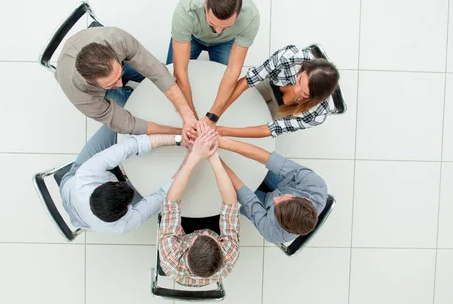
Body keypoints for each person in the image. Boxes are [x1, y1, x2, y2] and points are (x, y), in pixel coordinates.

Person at [56, 25, 196, 138]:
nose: (121, 84)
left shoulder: (117, 39)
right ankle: (115, 84)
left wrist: (187, 116)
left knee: (157, 75)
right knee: (128, 106)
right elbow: (127, 124)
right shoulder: (81, 94)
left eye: (119, 75)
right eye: (112, 84)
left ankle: (115, 75)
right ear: (88, 80)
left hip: (89, 41)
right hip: (74, 75)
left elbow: (158, 73)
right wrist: (176, 131)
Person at [59, 123, 186, 234]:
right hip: (83, 219)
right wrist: (189, 160)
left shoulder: (86, 175)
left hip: (70, 183)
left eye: (119, 184)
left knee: (117, 125)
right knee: (157, 190)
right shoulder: (122, 226)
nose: (123, 182)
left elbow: (131, 146)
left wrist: (178, 139)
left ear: (99, 186)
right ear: (125, 210)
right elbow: (162, 196)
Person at [168, 0, 260, 130]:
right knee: (170, 81)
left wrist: (212, 116)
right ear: (206, 6)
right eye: (212, 23)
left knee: (221, 83)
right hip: (192, 37)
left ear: (238, 14)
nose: (217, 31)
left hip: (225, 42)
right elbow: (180, 71)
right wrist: (191, 117)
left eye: (225, 26)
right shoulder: (185, 11)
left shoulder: (251, 17)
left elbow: (233, 70)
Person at [159, 123, 240, 287]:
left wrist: (195, 155)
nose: (209, 233)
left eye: (204, 236)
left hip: (179, 235)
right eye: (213, 238)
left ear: (187, 249)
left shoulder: (170, 255)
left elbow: (171, 203)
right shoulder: (230, 255)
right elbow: (231, 205)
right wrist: (213, 155)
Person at [218, 136, 327, 244]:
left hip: (264, 207)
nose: (275, 198)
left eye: (276, 207)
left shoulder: (272, 232)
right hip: (283, 183)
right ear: (305, 199)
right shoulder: (316, 186)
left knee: (231, 196)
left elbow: (248, 199)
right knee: (259, 166)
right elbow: (269, 159)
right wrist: (222, 142)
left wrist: (216, 159)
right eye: (282, 198)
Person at [216, 44, 340, 138]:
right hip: (269, 85)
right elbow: (249, 80)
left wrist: (223, 131)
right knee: (239, 107)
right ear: (304, 68)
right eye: (300, 80)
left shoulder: (318, 114)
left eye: (304, 93)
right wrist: (215, 114)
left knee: (249, 123)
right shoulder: (290, 56)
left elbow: (271, 129)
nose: (296, 90)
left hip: (281, 111)